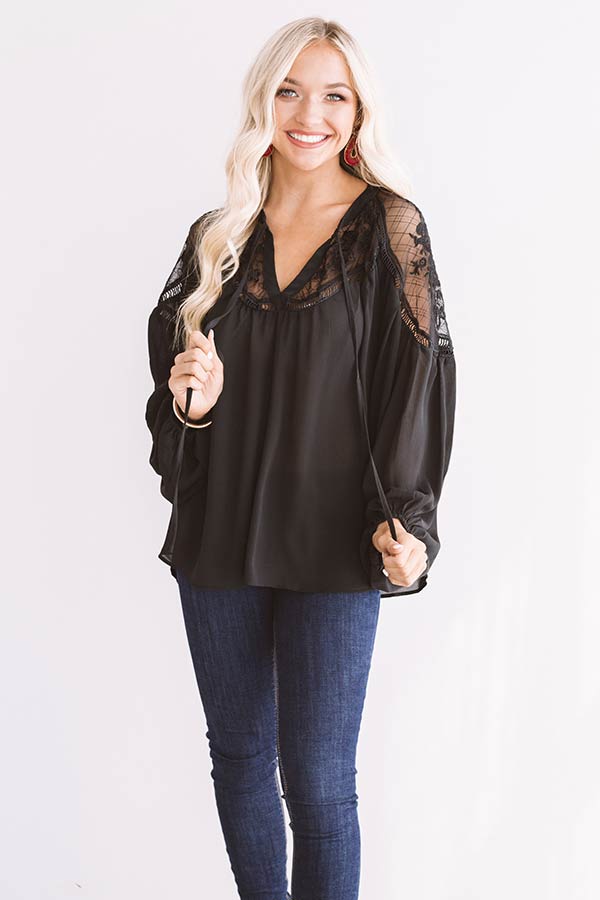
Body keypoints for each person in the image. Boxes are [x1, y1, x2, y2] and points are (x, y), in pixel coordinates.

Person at [144, 16, 456, 900]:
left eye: (333, 96)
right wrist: (195, 403)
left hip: (337, 540)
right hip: (222, 533)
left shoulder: (390, 227)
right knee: (240, 758)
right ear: (263, 100)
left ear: (358, 112)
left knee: (318, 781)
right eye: (289, 90)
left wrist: (412, 525)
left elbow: (418, 385)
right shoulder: (217, 236)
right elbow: (172, 406)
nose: (308, 115)